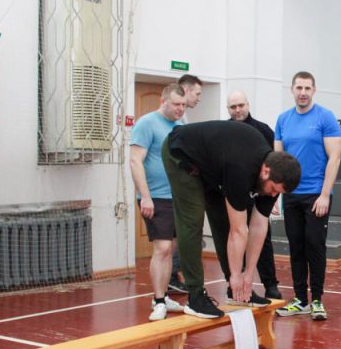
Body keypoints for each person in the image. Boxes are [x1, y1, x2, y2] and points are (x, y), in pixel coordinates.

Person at [162, 121, 301, 319]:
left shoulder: (275, 177)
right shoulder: (241, 169)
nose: (272, 195)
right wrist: (237, 275)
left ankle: (236, 291)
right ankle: (195, 296)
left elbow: (258, 226)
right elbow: (239, 231)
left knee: (223, 222)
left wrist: (248, 275)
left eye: (277, 193)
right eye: (273, 190)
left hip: (214, 166)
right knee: (192, 221)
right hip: (181, 153)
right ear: (265, 171)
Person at [274, 72, 341, 321]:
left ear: (314, 90)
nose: (303, 92)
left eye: (307, 88)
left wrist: (325, 194)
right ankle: (300, 299)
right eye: (299, 88)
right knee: (296, 246)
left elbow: (334, 157)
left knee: (315, 245)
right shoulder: (283, 119)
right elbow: (278, 161)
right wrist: (276, 195)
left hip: (316, 193)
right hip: (291, 194)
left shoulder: (325, 117)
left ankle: (317, 300)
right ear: (292, 90)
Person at [129, 83, 188, 321]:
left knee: (171, 249)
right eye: (176, 104)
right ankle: (159, 300)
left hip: (177, 197)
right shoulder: (147, 123)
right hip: (155, 197)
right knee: (162, 248)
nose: (180, 109)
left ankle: (162, 296)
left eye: (183, 105)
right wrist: (145, 196)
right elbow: (135, 161)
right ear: (163, 102)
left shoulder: (180, 126)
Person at [227, 90, 282, 300]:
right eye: (233, 107)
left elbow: (276, 164)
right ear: (228, 109)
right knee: (235, 236)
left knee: (263, 238)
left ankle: (270, 284)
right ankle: (234, 283)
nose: (237, 110)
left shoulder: (263, 130)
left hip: (260, 194)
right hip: (234, 194)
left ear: (248, 105)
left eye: (241, 105)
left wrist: (273, 197)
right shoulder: (226, 130)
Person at [167, 74, 205, 294]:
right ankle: (171, 277)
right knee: (177, 238)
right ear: (186, 90)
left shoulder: (183, 120)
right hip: (170, 190)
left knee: (181, 237)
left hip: (180, 189)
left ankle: (173, 276)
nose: (199, 98)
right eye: (197, 93)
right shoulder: (171, 122)